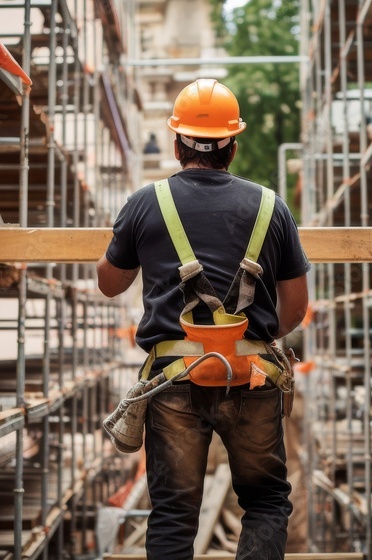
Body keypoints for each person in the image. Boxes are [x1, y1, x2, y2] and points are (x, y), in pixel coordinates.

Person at [96, 78, 310, 559]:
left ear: (175, 145)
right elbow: (295, 309)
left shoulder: (145, 204)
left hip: (174, 380)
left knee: (173, 512)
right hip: (251, 377)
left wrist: (128, 235)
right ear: (232, 147)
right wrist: (244, 339)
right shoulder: (272, 208)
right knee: (266, 501)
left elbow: (110, 283)